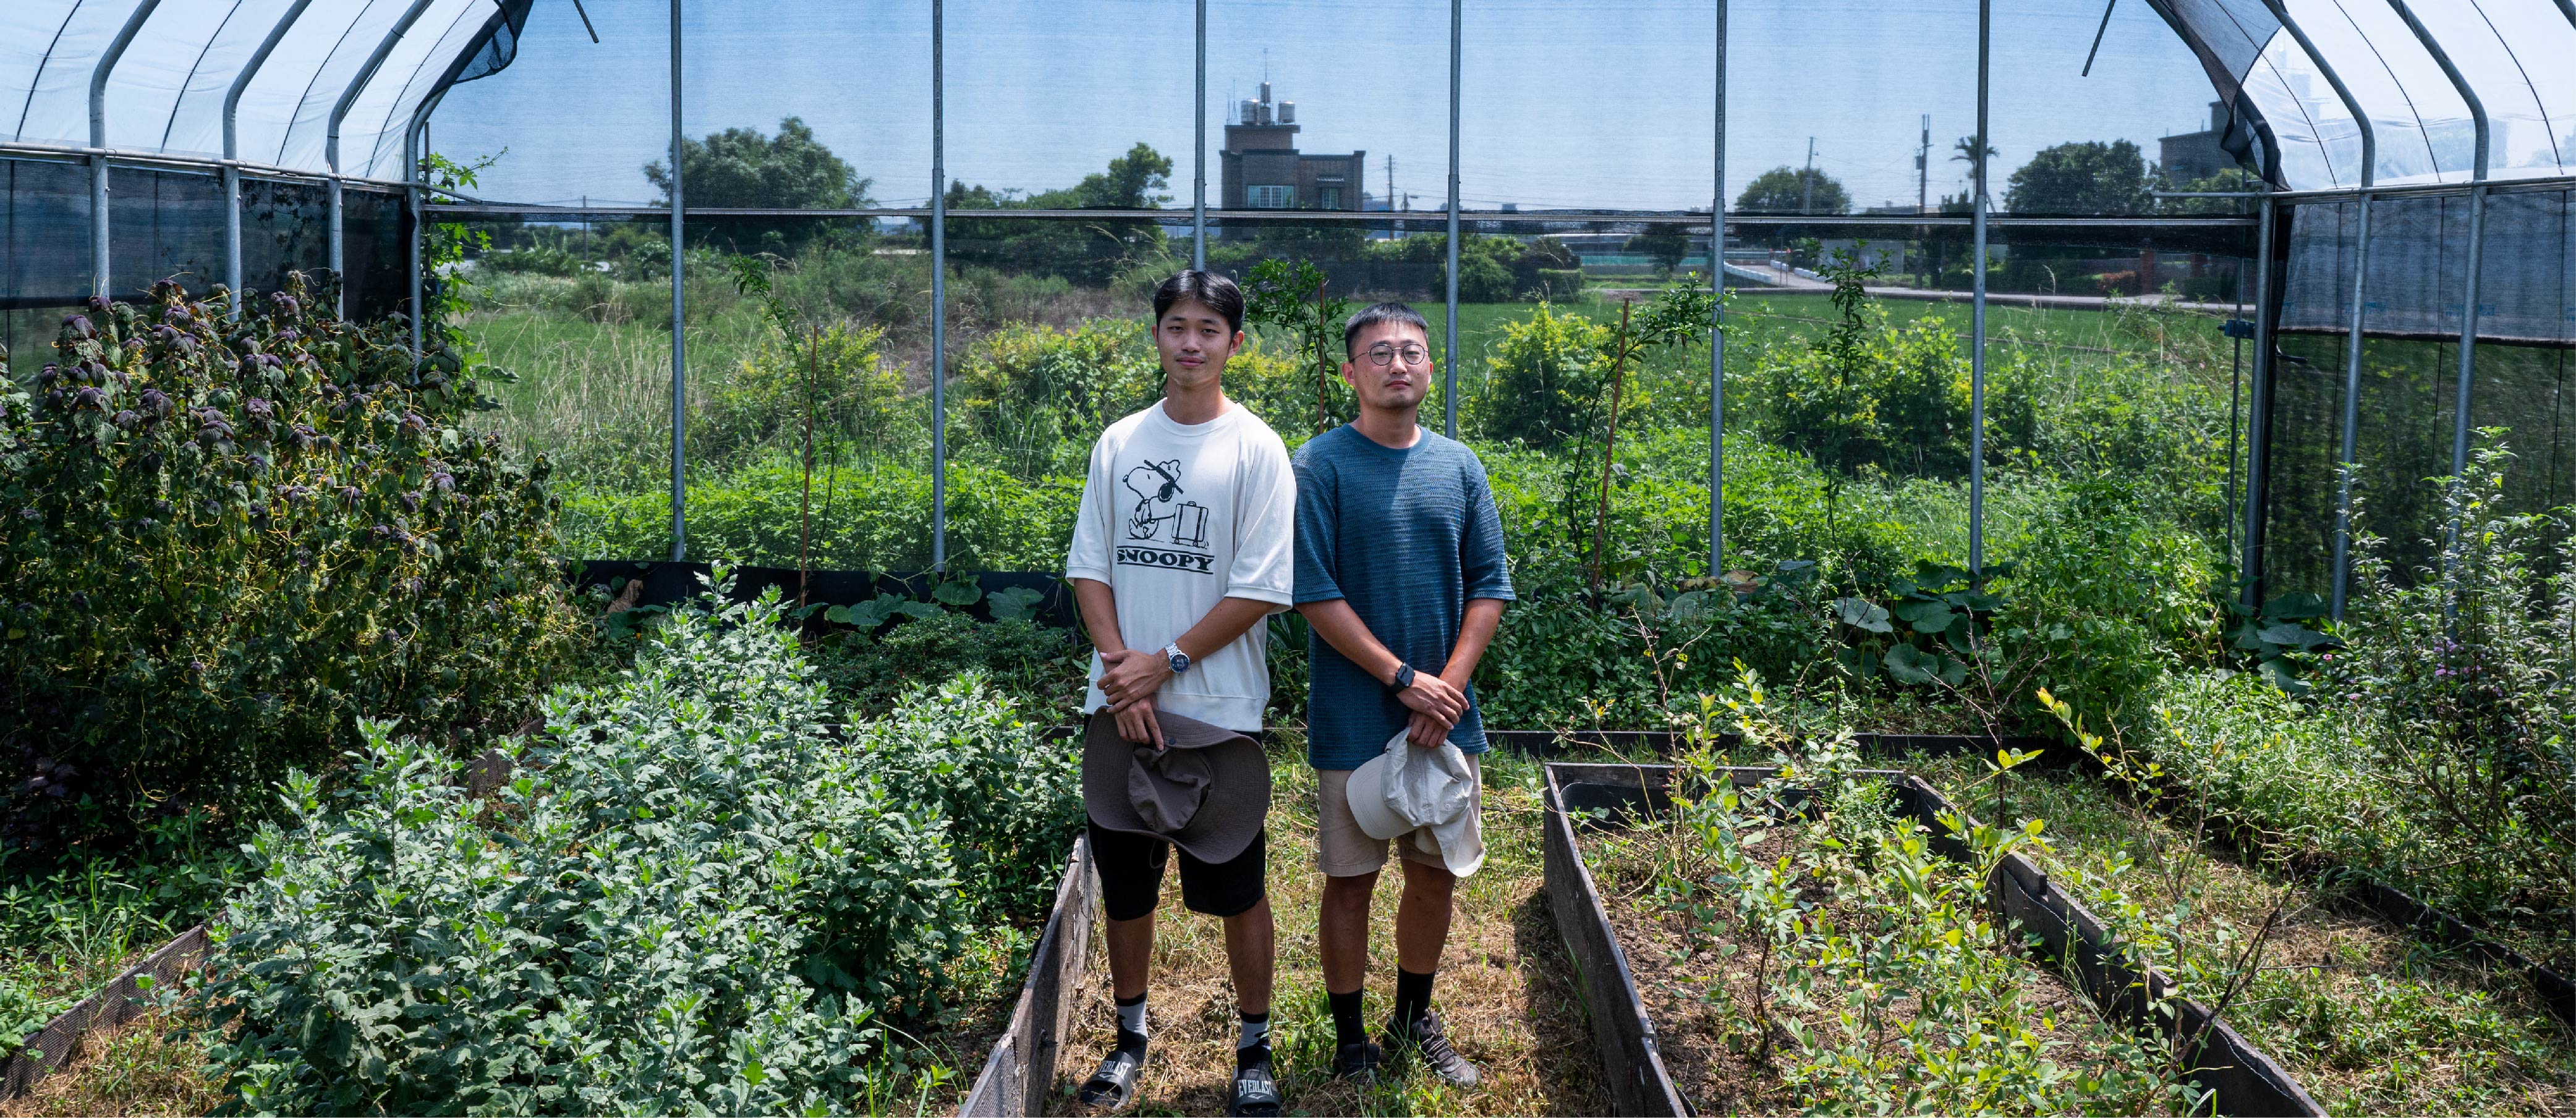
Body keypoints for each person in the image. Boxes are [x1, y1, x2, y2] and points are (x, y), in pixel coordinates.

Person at [1063, 270, 1295, 1116]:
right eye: (1175, 327)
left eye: (1208, 329)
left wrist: (1164, 663)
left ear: (1236, 344)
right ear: (1155, 335)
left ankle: (1253, 1046)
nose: (1189, 343)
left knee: (1236, 887)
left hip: (1216, 714)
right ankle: (1128, 1038)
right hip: (1120, 706)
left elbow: (1264, 587)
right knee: (1126, 886)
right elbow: (1090, 567)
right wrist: (1122, 672)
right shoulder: (1120, 442)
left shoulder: (1255, 449)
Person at [1293, 302, 1512, 1086]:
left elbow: (1490, 586)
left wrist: (1446, 688)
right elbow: (1313, 593)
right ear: (1350, 372)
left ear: (1430, 368)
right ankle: (1352, 1039)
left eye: (1411, 353)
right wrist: (1402, 679)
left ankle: (1415, 1021)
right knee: (1350, 881)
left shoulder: (1459, 466)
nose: (1397, 365)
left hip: (1447, 718)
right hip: (1357, 715)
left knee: (1433, 874)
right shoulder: (1319, 465)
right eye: (1379, 353)